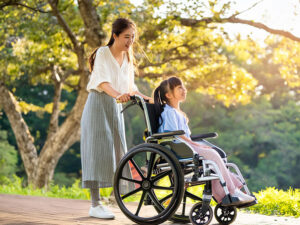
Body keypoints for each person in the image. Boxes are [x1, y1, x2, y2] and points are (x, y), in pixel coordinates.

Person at [81, 18, 151, 219]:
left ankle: (114, 198)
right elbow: (102, 82)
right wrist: (117, 95)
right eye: (126, 37)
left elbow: (131, 88)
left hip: (115, 107)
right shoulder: (103, 53)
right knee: (97, 151)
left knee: (119, 152)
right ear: (115, 35)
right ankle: (95, 204)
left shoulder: (128, 58)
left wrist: (149, 99)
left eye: (133, 37)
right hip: (98, 103)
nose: (130, 41)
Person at [154, 76, 255, 205]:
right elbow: (175, 134)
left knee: (217, 156)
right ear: (168, 95)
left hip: (186, 145)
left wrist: (195, 144)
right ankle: (232, 191)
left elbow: (184, 135)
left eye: (183, 87)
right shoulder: (169, 112)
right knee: (213, 155)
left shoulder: (178, 112)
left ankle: (229, 192)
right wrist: (195, 144)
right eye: (179, 88)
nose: (184, 90)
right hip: (179, 147)